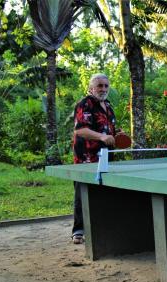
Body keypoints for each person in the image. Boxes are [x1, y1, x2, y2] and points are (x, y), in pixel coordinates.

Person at [71, 73, 117, 244]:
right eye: (99, 85)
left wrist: (117, 135)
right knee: (82, 195)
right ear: (91, 88)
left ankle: (102, 229)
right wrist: (102, 137)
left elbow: (110, 131)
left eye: (106, 85)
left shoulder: (108, 106)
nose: (103, 89)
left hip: (106, 158)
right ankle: (78, 231)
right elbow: (80, 130)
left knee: (105, 193)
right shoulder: (84, 104)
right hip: (86, 158)